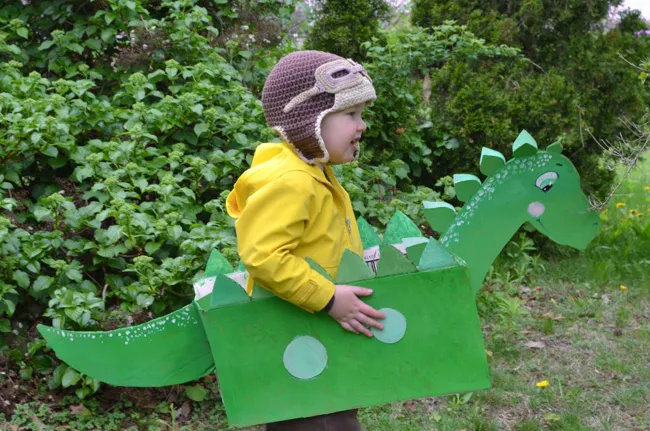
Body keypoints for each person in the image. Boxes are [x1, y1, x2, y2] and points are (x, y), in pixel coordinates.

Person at [226, 50, 386, 431]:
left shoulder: (316, 173)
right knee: (312, 418)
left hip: (320, 329)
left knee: (337, 409)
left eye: (361, 114)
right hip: (299, 327)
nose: (361, 125)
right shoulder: (292, 181)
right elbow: (263, 256)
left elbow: (322, 242)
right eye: (350, 114)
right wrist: (329, 298)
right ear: (308, 120)